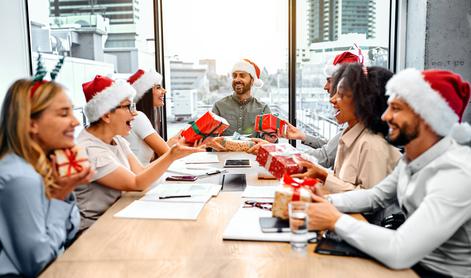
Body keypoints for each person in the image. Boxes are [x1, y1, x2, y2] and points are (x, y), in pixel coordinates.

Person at [305, 69, 471, 277]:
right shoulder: (413, 157)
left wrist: (334, 220)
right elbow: (374, 196)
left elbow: (400, 250)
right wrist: (323, 203)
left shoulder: (456, 174)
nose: (385, 116)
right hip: (411, 264)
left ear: (428, 117)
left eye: (396, 108)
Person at [75, 75, 204, 231]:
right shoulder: (90, 151)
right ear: (106, 114)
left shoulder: (117, 140)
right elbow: (137, 183)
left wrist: (174, 153)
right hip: (95, 230)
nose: (134, 114)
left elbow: (141, 171)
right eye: (128, 107)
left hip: (117, 215)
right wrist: (171, 155)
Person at [0, 77, 92, 277]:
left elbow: (67, 234)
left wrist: (65, 190)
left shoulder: (40, 168)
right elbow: (39, 263)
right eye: (63, 113)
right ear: (31, 123)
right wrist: (60, 197)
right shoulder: (21, 178)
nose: (75, 122)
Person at [293, 64, 401, 193]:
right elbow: (344, 182)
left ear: (364, 102)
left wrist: (323, 176)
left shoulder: (372, 144)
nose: (332, 100)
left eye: (341, 95)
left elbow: (369, 200)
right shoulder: (349, 136)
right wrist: (320, 175)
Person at [282, 49, 364, 168]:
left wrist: (280, 152)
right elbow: (332, 147)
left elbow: (325, 156)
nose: (325, 87)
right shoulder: (353, 122)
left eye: (329, 81)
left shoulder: (359, 127)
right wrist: (302, 136)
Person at [125, 69, 179, 165]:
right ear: (145, 94)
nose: (164, 91)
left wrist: (171, 142)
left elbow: (153, 159)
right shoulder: (138, 117)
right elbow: (167, 153)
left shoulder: (138, 117)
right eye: (158, 87)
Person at [212, 59, 274, 141]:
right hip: (223, 153)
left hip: (252, 153)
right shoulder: (219, 106)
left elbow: (270, 142)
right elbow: (209, 140)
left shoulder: (263, 108)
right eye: (234, 76)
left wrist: (271, 139)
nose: (237, 79)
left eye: (242, 75)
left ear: (252, 81)